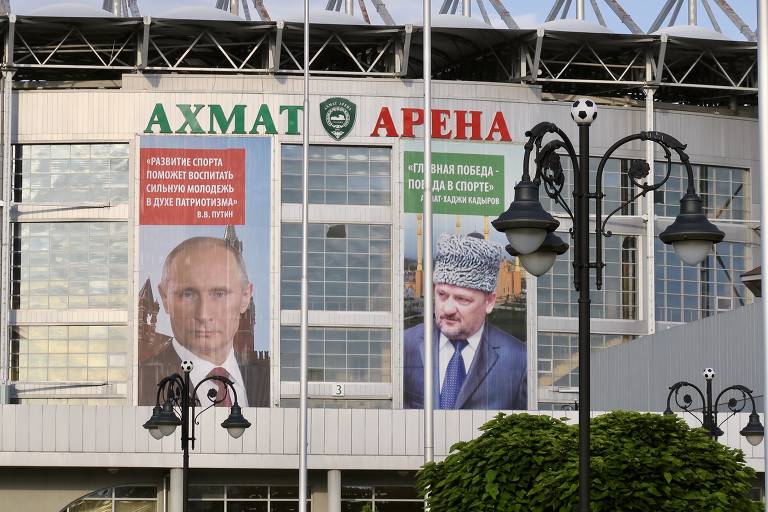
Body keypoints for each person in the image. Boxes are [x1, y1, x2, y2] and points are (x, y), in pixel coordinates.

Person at [138, 237, 269, 407]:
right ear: (165, 298)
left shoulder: (267, 382)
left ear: (245, 297)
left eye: (219, 294)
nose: (204, 314)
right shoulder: (143, 383)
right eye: (188, 294)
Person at [403, 233, 527, 410]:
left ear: (489, 302)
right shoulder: (405, 345)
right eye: (442, 295)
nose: (448, 309)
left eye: (462, 299)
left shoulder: (519, 359)